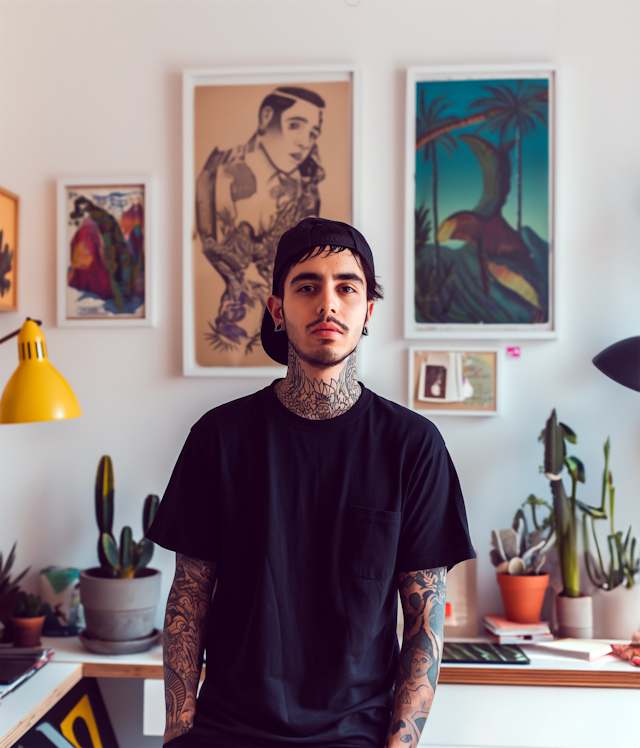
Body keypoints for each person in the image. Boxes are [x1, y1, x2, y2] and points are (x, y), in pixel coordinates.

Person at [147, 217, 475, 748]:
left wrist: (399, 745)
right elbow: (188, 600)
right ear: (277, 308)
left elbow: (423, 622)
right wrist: (178, 734)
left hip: (354, 736)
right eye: (307, 286)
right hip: (227, 732)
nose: (328, 304)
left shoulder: (412, 446)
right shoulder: (219, 438)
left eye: (347, 287)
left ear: (368, 311)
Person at [195, 86, 325, 353]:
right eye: (295, 125)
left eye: (313, 133)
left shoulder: (307, 187)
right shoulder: (220, 175)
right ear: (267, 118)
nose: (305, 142)